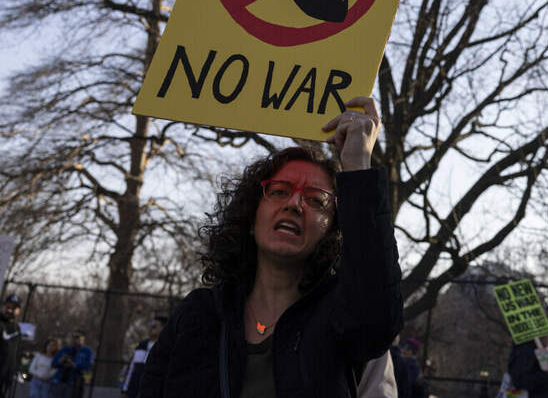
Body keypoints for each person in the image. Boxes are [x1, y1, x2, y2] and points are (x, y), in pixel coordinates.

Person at [141, 97, 402, 397]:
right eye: (279, 191)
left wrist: (358, 165)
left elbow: (378, 320)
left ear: (332, 229)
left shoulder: (346, 318)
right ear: (251, 216)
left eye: (315, 199)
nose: (294, 204)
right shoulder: (196, 315)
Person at [120, 316, 166, 397]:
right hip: (133, 391)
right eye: (150, 325)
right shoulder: (141, 346)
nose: (150, 328)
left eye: (154, 326)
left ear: (163, 328)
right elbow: (131, 369)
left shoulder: (165, 347)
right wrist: (125, 389)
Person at [51, 332, 93, 398]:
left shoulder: (87, 351)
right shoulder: (65, 349)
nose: (76, 339)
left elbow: (89, 365)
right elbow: (53, 363)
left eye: (78, 337)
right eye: (74, 337)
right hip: (59, 380)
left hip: (75, 383)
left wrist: (74, 365)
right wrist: (61, 361)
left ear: (83, 339)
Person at [0, 294, 22, 398]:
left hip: (6, 375)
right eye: (7, 307)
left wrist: (15, 368)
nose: (9, 310)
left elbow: (16, 350)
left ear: (18, 311)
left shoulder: (17, 328)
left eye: (13, 308)